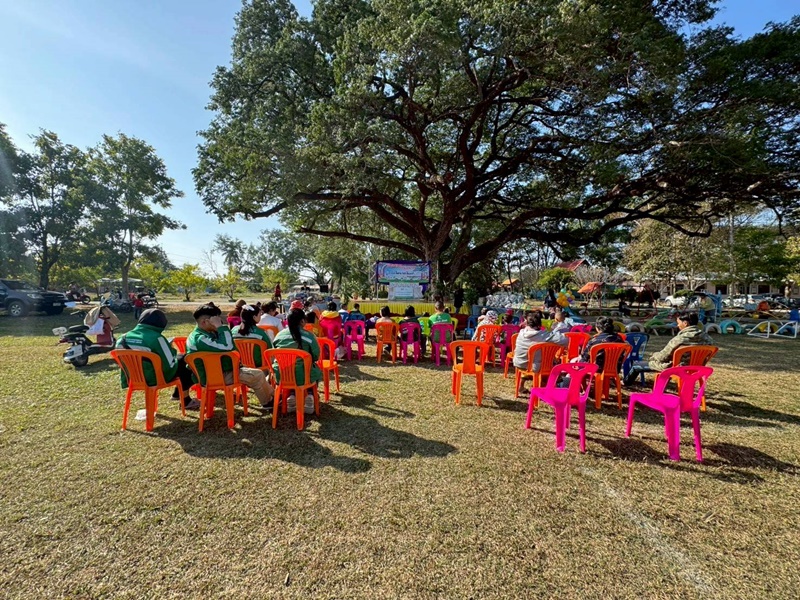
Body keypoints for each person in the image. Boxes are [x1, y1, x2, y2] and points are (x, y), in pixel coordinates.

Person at [186, 303, 274, 408]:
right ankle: (270, 400)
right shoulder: (200, 339)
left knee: (255, 375)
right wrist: (220, 328)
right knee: (258, 375)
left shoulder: (203, 334)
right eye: (216, 319)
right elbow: (228, 346)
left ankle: (271, 398)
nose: (220, 321)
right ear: (205, 322)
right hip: (216, 376)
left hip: (217, 372)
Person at [116, 308, 196, 407]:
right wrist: (171, 349)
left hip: (132, 378)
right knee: (186, 361)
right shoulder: (157, 338)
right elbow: (170, 363)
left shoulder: (122, 338)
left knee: (181, 359)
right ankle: (185, 399)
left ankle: (177, 394)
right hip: (154, 379)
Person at [624, 311, 713, 385]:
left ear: (685, 323)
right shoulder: (708, 338)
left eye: (678, 323)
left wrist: (653, 356)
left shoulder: (679, 339)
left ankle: (626, 382)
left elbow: (663, 356)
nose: (678, 326)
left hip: (677, 368)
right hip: (697, 368)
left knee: (636, 365)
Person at [272, 309, 323, 414]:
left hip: (281, 376)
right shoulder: (309, 336)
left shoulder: (279, 336)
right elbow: (316, 356)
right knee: (314, 370)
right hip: (303, 376)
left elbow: (274, 352)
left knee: (292, 369)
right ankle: (310, 395)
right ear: (303, 321)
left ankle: (292, 395)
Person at [512, 312, 555, 390]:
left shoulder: (521, 333)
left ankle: (522, 385)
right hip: (534, 366)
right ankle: (543, 387)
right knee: (549, 363)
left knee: (534, 359)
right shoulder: (544, 335)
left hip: (519, 362)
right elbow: (564, 340)